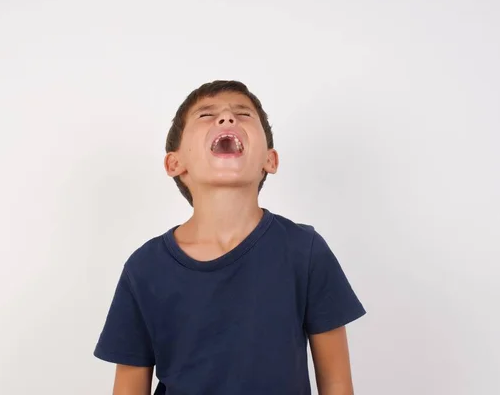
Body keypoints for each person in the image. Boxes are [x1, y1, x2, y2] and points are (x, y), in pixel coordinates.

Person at [93, 80, 366, 395]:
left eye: (243, 114)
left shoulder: (304, 251)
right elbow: (128, 388)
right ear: (174, 162)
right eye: (207, 115)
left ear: (270, 160)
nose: (227, 119)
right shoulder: (144, 268)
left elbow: (336, 383)